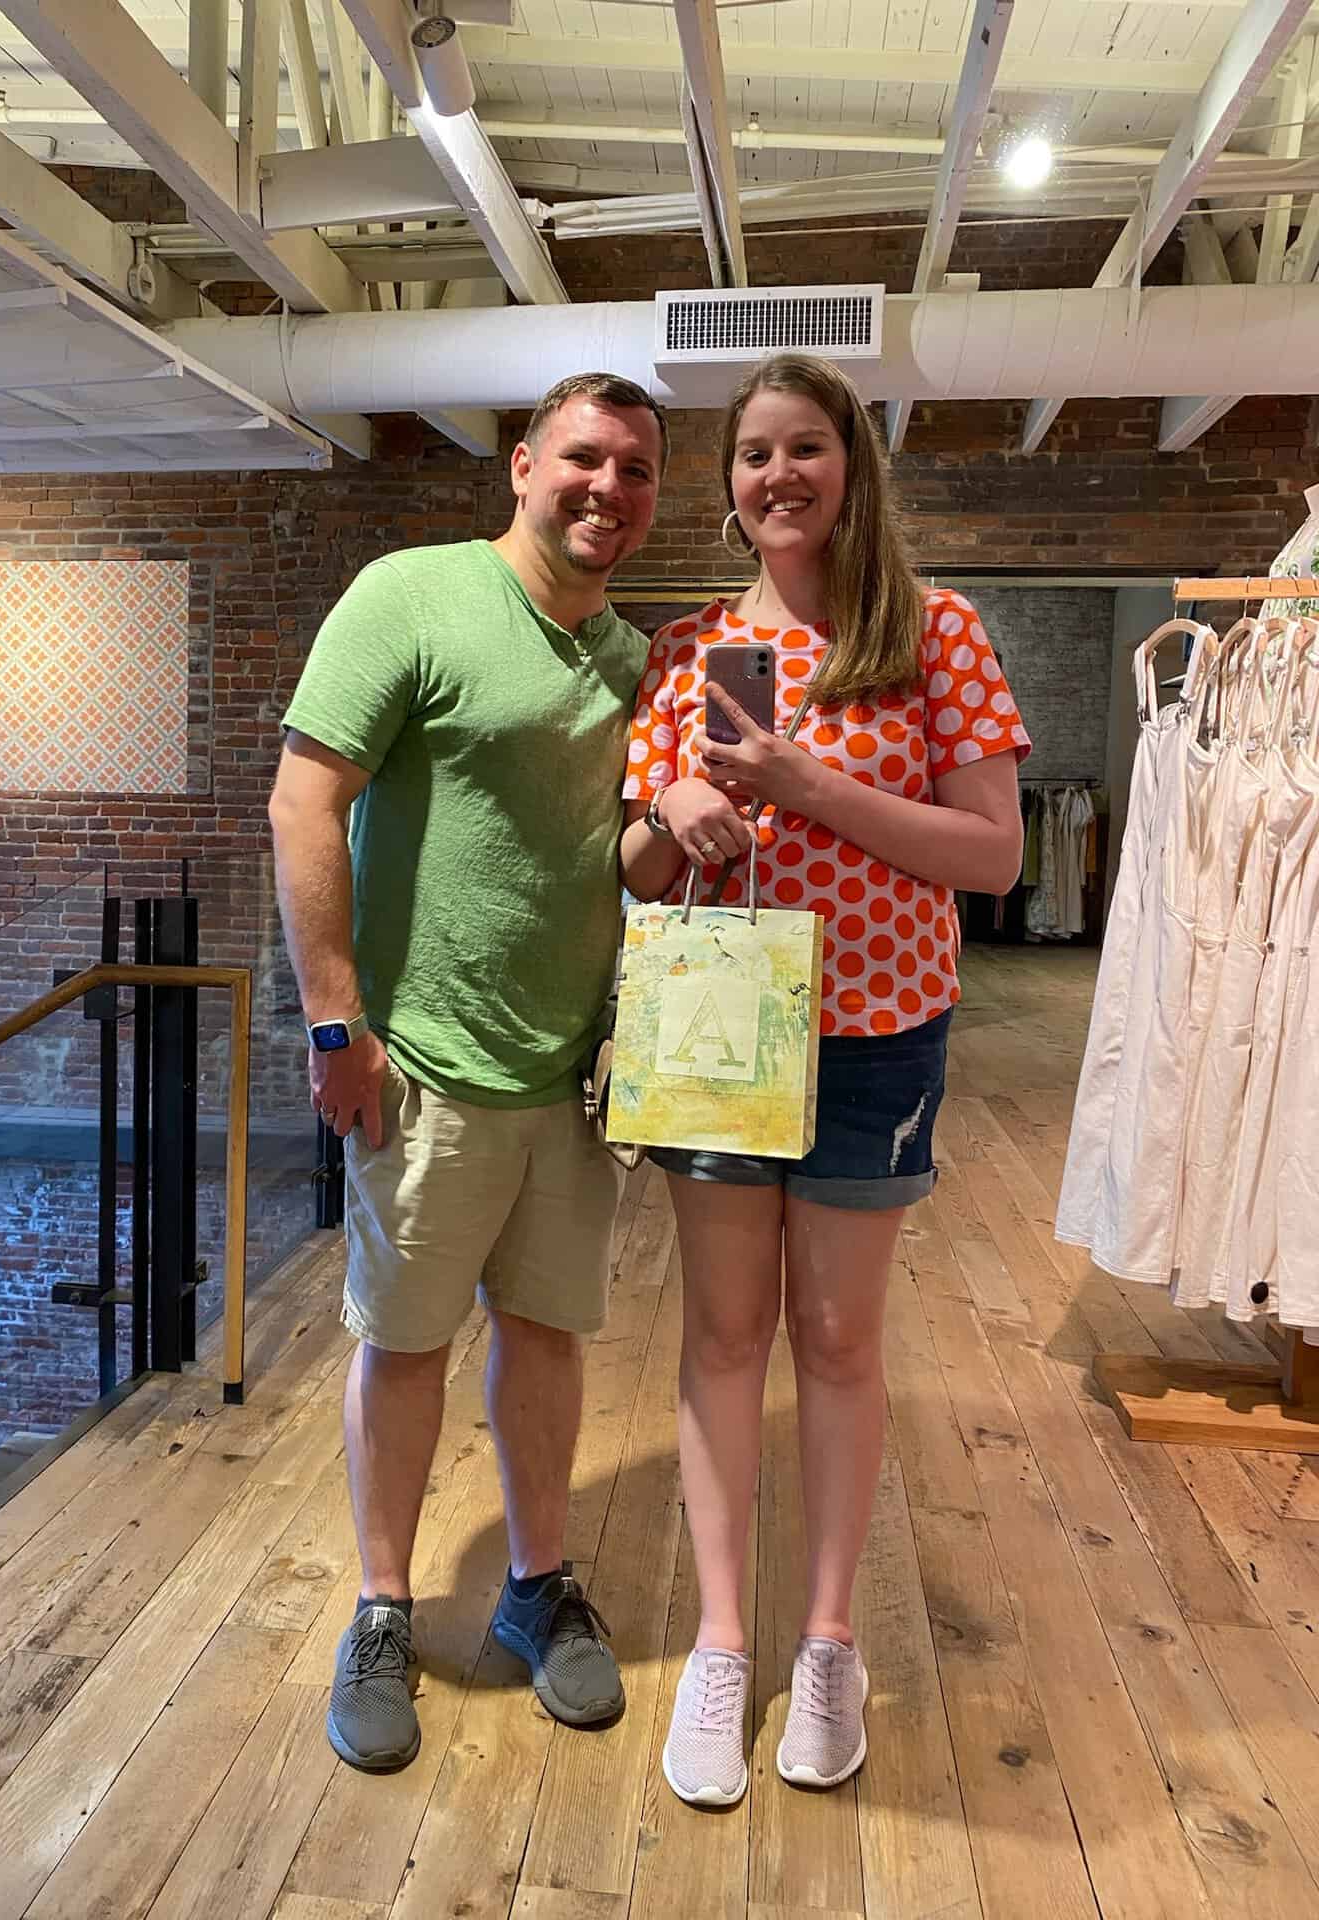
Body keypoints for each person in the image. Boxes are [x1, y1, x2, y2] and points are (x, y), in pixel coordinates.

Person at [618, 353, 1029, 1806]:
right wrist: (671, 810)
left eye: (804, 447)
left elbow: (993, 856)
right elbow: (635, 867)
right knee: (725, 1340)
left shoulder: (935, 636)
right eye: (750, 455)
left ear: (851, 465)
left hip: (878, 1033)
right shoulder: (683, 654)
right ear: (729, 489)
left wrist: (808, 789)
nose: (776, 475)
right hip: (721, 1030)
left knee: (839, 1342)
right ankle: (726, 1645)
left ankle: (830, 1638)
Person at [269, 372, 667, 1773]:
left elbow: (613, 859)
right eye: (583, 458)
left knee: (550, 1336)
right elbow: (305, 798)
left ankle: (534, 1587)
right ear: (522, 463)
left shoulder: (631, 660)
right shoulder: (411, 597)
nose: (606, 489)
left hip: (569, 1075)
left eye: (634, 470)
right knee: (406, 1339)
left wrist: (680, 827)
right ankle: (383, 1607)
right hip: (421, 1065)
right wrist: (335, 1023)